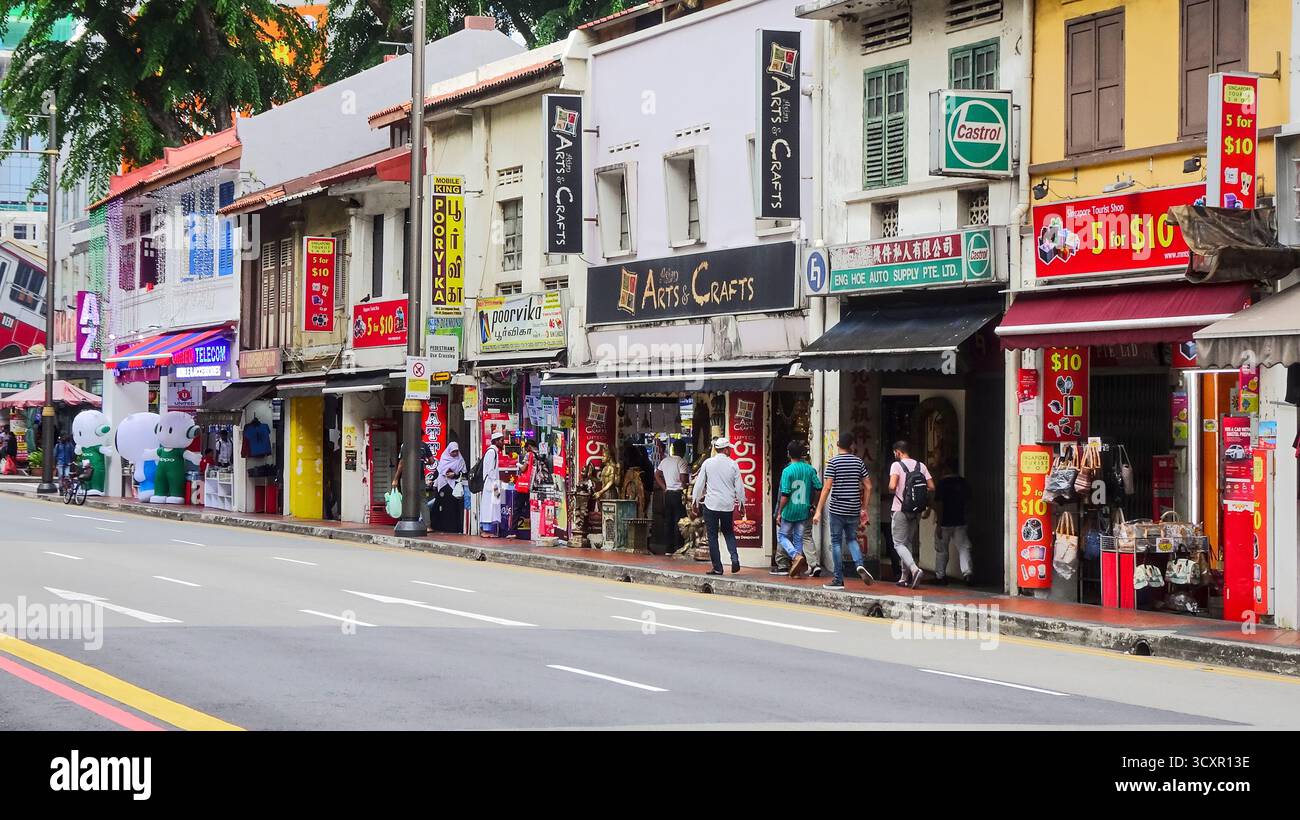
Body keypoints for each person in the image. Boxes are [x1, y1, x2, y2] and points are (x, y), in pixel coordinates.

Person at [812, 433, 873, 590]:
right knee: (852, 539)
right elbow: (869, 486)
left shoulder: (833, 463)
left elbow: (826, 488)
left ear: (838, 444)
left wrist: (818, 510)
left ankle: (838, 579)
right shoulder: (858, 462)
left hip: (837, 509)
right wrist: (864, 508)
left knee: (836, 542)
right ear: (852, 446)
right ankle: (859, 564)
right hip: (853, 508)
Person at [690, 437, 746, 575]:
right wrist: (742, 504)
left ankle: (717, 567)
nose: (731, 451)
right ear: (726, 449)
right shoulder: (733, 464)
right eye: (729, 449)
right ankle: (734, 558)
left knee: (712, 536)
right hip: (727, 505)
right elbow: (739, 487)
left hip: (711, 505)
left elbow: (699, 484)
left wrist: (694, 501)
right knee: (728, 532)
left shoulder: (708, 463)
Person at [887, 440, 935, 589]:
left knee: (898, 544)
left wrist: (892, 489)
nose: (895, 455)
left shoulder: (896, 465)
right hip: (915, 511)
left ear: (898, 452)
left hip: (900, 509)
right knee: (907, 543)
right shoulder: (921, 466)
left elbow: (892, 486)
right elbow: (932, 487)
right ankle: (904, 577)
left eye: (895, 452)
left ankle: (915, 570)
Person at [774, 441, 823, 578]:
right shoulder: (810, 469)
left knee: (783, 536)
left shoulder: (787, 471)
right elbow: (819, 488)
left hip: (789, 510)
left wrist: (779, 512)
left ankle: (795, 556)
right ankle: (798, 566)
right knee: (799, 538)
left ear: (789, 454)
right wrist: (813, 504)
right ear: (802, 454)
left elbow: (785, 494)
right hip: (804, 510)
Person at [933, 461, 973, 585]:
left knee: (942, 550)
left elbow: (939, 504)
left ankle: (940, 576)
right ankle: (967, 573)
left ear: (946, 468)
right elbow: (968, 502)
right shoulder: (963, 482)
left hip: (945, 522)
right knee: (963, 547)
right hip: (960, 521)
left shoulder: (942, 484)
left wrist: (939, 523)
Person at [655, 439, 689, 555]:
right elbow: (683, 479)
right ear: (684, 450)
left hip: (668, 494)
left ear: (673, 448)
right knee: (679, 521)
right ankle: (678, 546)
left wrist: (664, 487)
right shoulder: (682, 462)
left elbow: (657, 474)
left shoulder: (665, 461)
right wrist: (685, 486)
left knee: (668, 521)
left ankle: (668, 549)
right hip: (678, 494)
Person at [429, 441, 466, 533]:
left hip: (454, 487)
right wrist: (432, 480)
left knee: (453, 509)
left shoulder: (460, 460)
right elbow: (438, 472)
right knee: (440, 507)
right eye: (453, 451)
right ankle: (440, 527)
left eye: (456, 451)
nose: (455, 453)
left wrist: (455, 474)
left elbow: (464, 473)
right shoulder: (444, 458)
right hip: (442, 486)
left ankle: (453, 528)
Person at [478, 431, 504, 537]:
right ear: (496, 441)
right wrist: (495, 485)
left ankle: (491, 530)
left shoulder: (494, 452)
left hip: (495, 484)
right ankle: (485, 530)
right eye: (501, 441)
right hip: (491, 484)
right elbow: (489, 470)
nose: (503, 443)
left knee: (494, 506)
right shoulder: (491, 452)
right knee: (488, 507)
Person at [510, 438, 537, 539]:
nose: (525, 450)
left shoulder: (529, 454)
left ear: (528, 447)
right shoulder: (539, 454)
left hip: (524, 486)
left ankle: (513, 531)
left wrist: (517, 464)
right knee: (532, 509)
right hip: (534, 485)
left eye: (526, 448)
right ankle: (533, 531)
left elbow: (523, 468)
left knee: (517, 509)